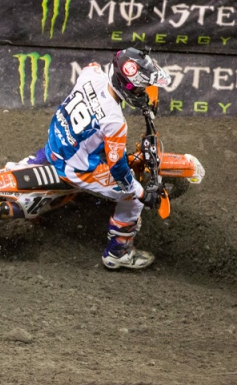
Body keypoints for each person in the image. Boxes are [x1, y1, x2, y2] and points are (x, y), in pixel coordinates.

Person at [20, 48, 171, 269]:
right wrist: (141, 193)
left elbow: (93, 66)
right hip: (75, 168)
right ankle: (118, 253)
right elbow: (118, 168)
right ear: (127, 87)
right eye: (140, 87)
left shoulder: (91, 75)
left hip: (56, 143)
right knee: (132, 200)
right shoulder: (114, 121)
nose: (143, 91)